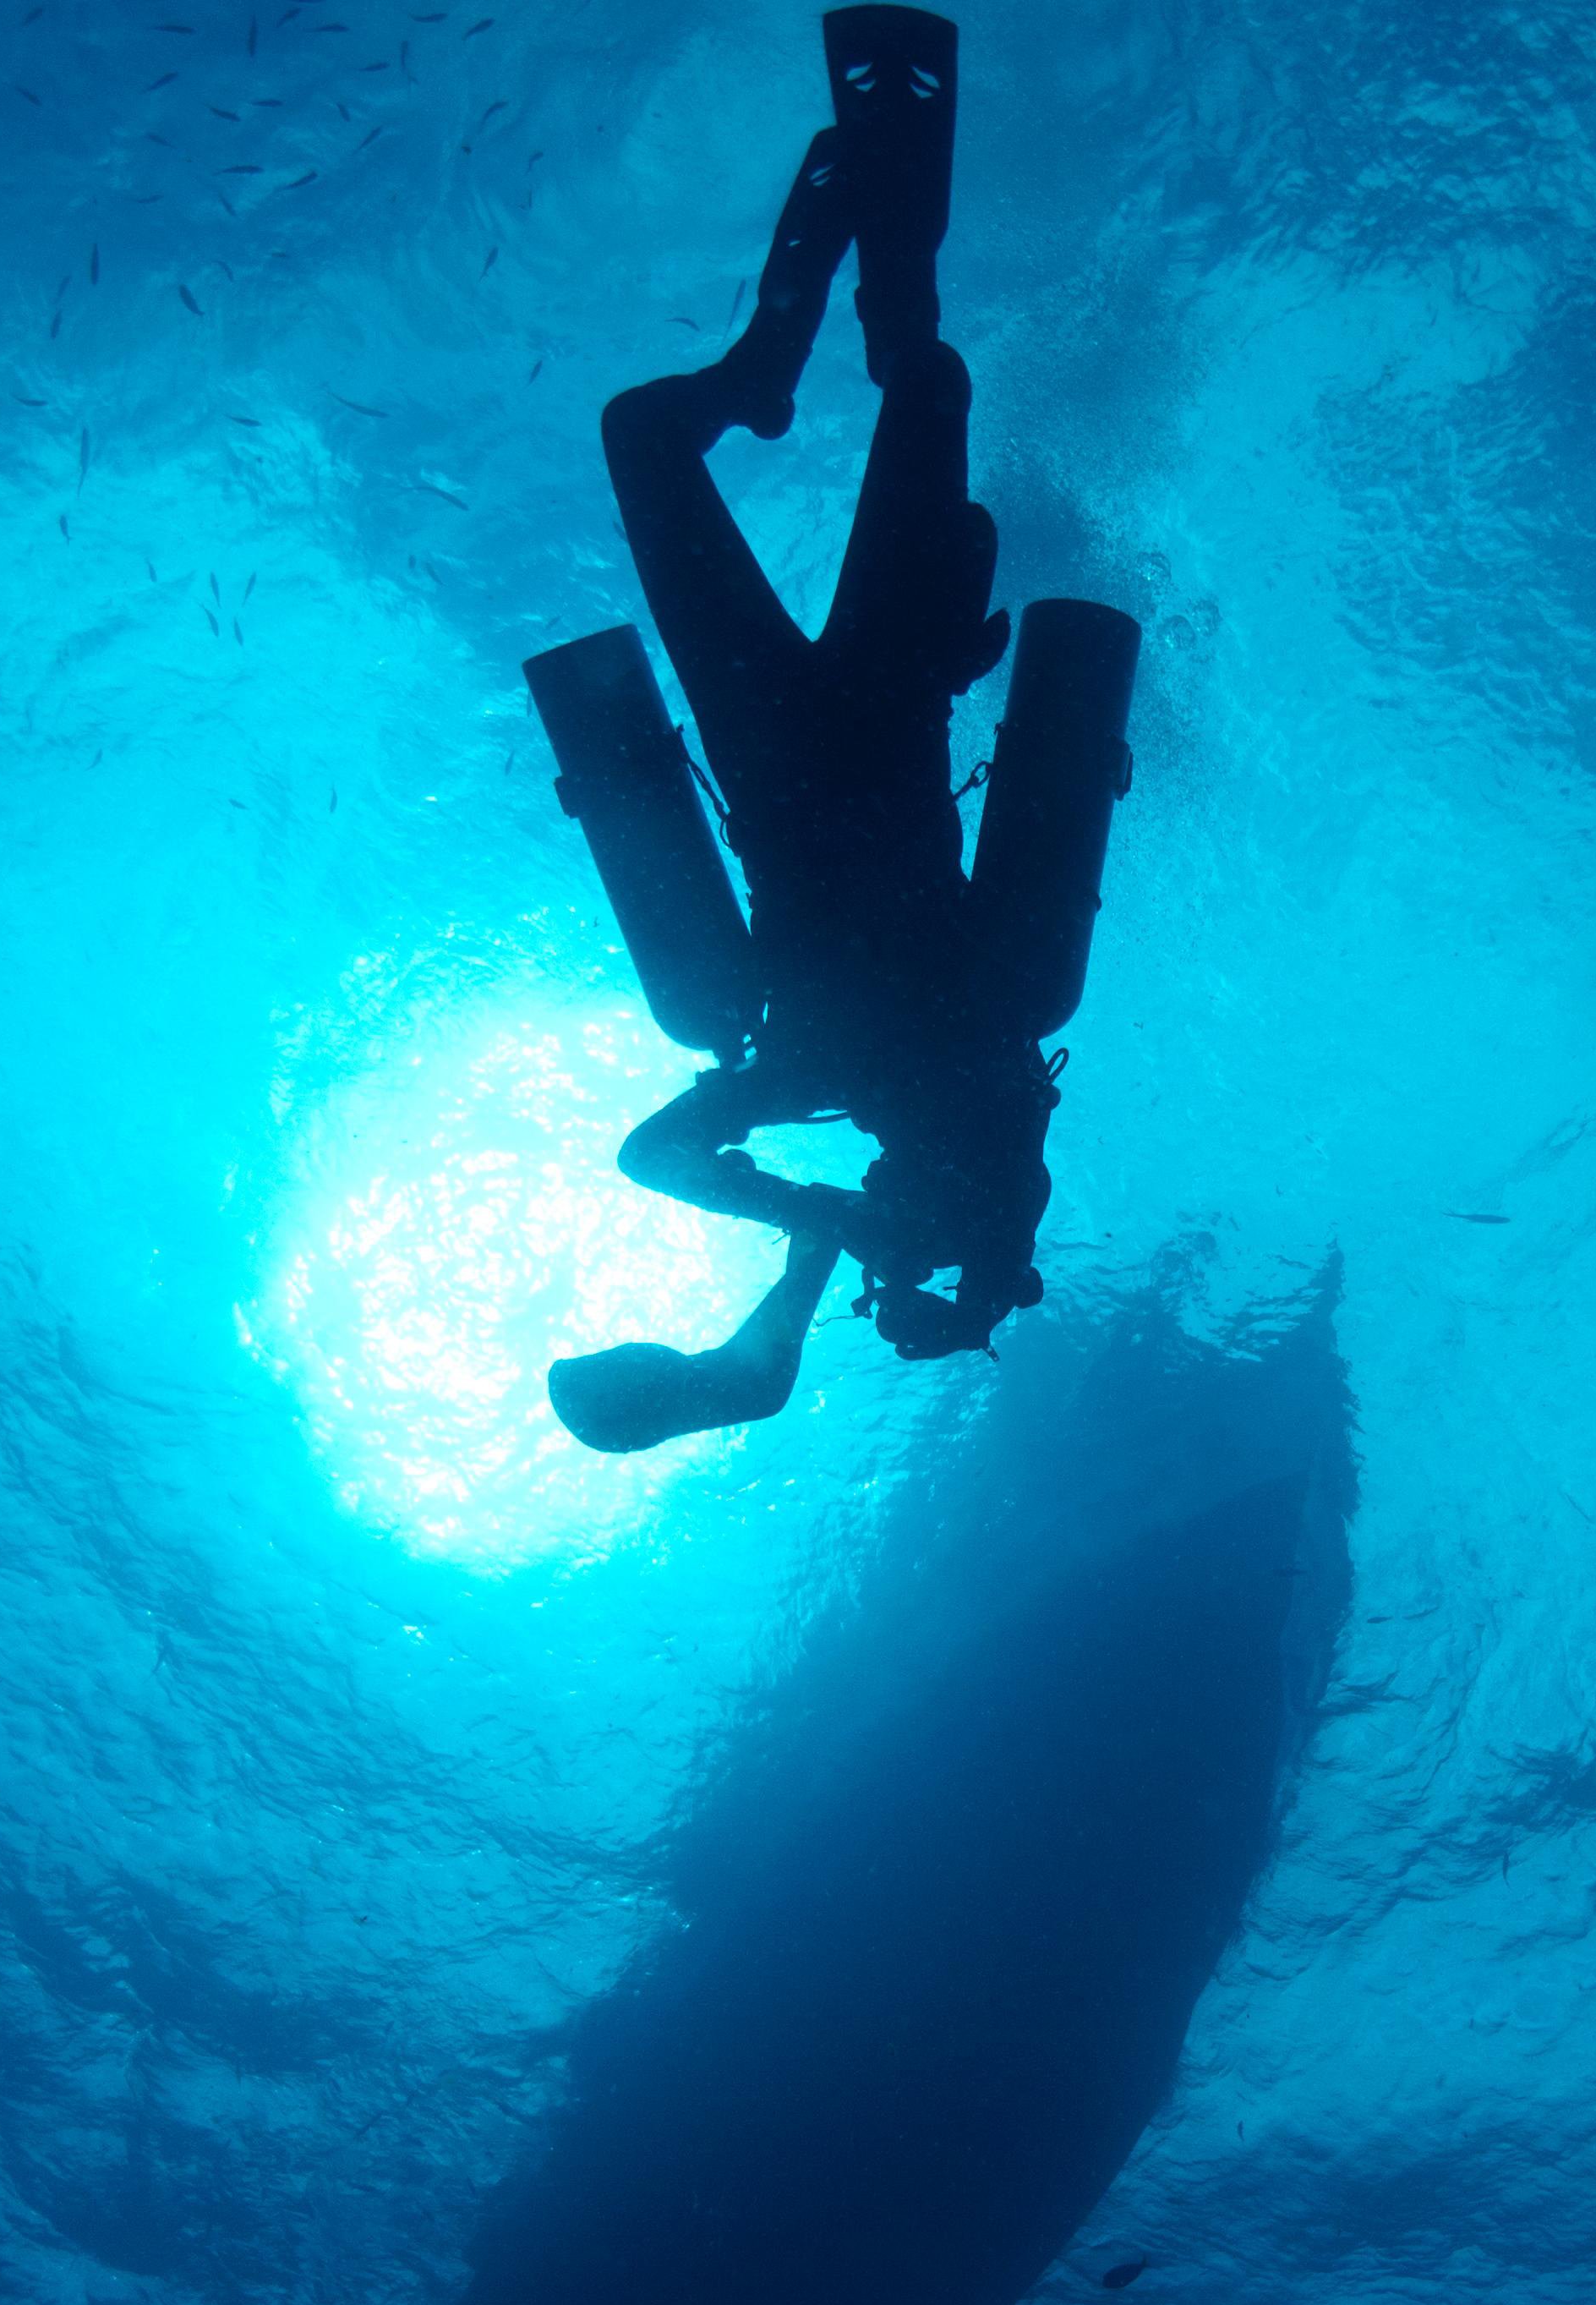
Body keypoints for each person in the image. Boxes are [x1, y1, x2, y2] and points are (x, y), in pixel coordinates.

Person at [548, 8, 1058, 1454]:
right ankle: (804, 346)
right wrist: (852, 1238)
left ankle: (768, 366)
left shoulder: (826, 1070)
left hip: (789, 730)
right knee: (902, 383)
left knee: (664, 434)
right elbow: (1005, 1190)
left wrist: (821, 1229)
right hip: (865, 704)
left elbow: (660, 1153)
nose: (903, 1199)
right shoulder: (887, 1068)